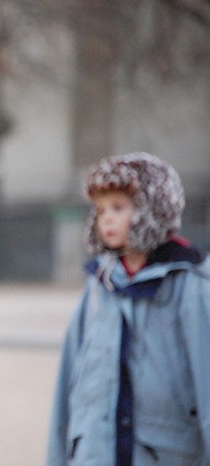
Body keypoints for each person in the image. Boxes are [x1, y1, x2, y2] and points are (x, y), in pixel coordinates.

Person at [47, 152, 210, 465]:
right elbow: (68, 382)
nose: (106, 218)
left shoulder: (190, 283)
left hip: (163, 453)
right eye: (100, 209)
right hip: (94, 453)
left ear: (153, 209)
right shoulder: (99, 284)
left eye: (118, 207)